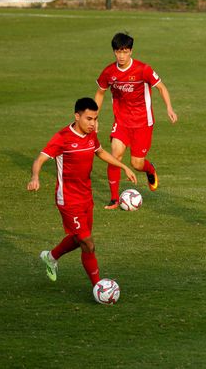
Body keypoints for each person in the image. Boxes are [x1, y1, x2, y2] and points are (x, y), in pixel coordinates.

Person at [27, 98, 137, 289]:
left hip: (86, 197)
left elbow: (101, 152)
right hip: (68, 199)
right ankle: (99, 287)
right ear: (77, 116)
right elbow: (40, 159)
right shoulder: (62, 138)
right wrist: (35, 177)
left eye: (95, 119)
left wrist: (123, 166)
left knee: (80, 240)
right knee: (88, 243)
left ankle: (50, 256)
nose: (92, 123)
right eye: (88, 119)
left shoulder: (91, 134)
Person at [94, 32, 178, 209]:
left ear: (131, 51)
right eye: (118, 52)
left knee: (136, 163)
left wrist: (169, 108)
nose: (121, 56)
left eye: (125, 52)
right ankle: (114, 199)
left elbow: (161, 88)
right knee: (115, 154)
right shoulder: (109, 72)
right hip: (122, 121)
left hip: (142, 122)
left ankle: (149, 169)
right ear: (114, 52)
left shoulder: (143, 69)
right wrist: (94, 118)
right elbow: (100, 92)